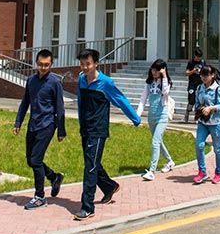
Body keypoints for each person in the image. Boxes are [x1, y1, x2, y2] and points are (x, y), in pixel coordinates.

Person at [73, 48, 141, 221]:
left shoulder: (106, 83)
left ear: (96, 63)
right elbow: (81, 103)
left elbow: (121, 99)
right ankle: (110, 187)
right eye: (82, 64)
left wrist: (135, 118)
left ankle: (87, 207)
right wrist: (81, 123)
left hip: (98, 130)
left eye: (88, 64)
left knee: (90, 166)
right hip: (86, 128)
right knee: (92, 162)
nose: (85, 67)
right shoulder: (81, 80)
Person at [13, 49, 67, 210]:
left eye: (46, 65)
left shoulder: (55, 83)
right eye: (40, 65)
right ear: (36, 64)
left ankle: (40, 196)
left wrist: (61, 130)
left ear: (51, 64)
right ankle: (54, 177)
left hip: (47, 125)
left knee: (36, 160)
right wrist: (18, 122)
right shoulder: (31, 81)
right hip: (33, 124)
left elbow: (60, 107)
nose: (43, 68)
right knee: (30, 160)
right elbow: (25, 103)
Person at [136, 59, 175, 181]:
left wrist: (164, 77)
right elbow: (143, 99)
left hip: (162, 115)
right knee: (157, 141)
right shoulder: (149, 82)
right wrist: (137, 114)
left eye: (157, 70)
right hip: (151, 116)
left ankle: (152, 170)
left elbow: (165, 92)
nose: (154, 72)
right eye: (153, 70)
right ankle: (169, 161)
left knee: (155, 142)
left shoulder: (166, 82)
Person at [193, 66, 220, 185]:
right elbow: (197, 102)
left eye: (206, 75)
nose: (203, 78)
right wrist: (199, 110)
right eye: (202, 75)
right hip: (203, 122)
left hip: (216, 123)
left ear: (212, 76)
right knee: (199, 145)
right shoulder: (199, 88)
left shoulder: (217, 89)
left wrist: (210, 108)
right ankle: (202, 171)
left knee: (217, 149)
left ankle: (219, 173)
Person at [183, 48, 206, 122]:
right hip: (192, 84)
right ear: (194, 56)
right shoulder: (191, 63)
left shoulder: (202, 62)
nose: (198, 59)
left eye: (200, 57)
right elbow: (186, 73)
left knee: (199, 101)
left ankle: (197, 116)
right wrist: (193, 71)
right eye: (197, 57)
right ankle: (187, 111)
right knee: (191, 101)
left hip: (200, 84)